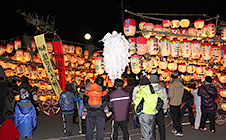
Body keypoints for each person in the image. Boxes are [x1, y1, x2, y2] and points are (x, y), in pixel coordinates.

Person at [150, 75, 167, 140]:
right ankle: (162, 138)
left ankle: (153, 138)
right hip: (160, 108)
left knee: (152, 125)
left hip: (151, 108)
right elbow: (165, 99)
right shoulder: (162, 88)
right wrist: (165, 108)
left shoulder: (149, 89)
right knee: (161, 125)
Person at [168, 70, 184, 137]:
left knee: (174, 117)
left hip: (173, 102)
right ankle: (177, 129)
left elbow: (170, 95)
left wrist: (168, 96)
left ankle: (179, 130)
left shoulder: (171, 84)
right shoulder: (181, 83)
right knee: (178, 116)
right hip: (179, 101)